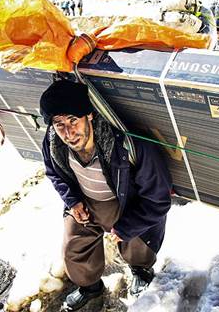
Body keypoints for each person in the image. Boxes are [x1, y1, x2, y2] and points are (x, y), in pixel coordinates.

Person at [40, 80, 172, 311]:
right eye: (59, 124)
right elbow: (54, 173)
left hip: (125, 201)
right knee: (74, 248)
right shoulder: (53, 144)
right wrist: (73, 202)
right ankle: (91, 287)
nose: (68, 133)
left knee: (136, 241)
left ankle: (140, 270)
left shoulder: (128, 145)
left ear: (89, 115)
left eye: (73, 120)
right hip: (86, 201)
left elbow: (158, 199)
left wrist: (126, 228)